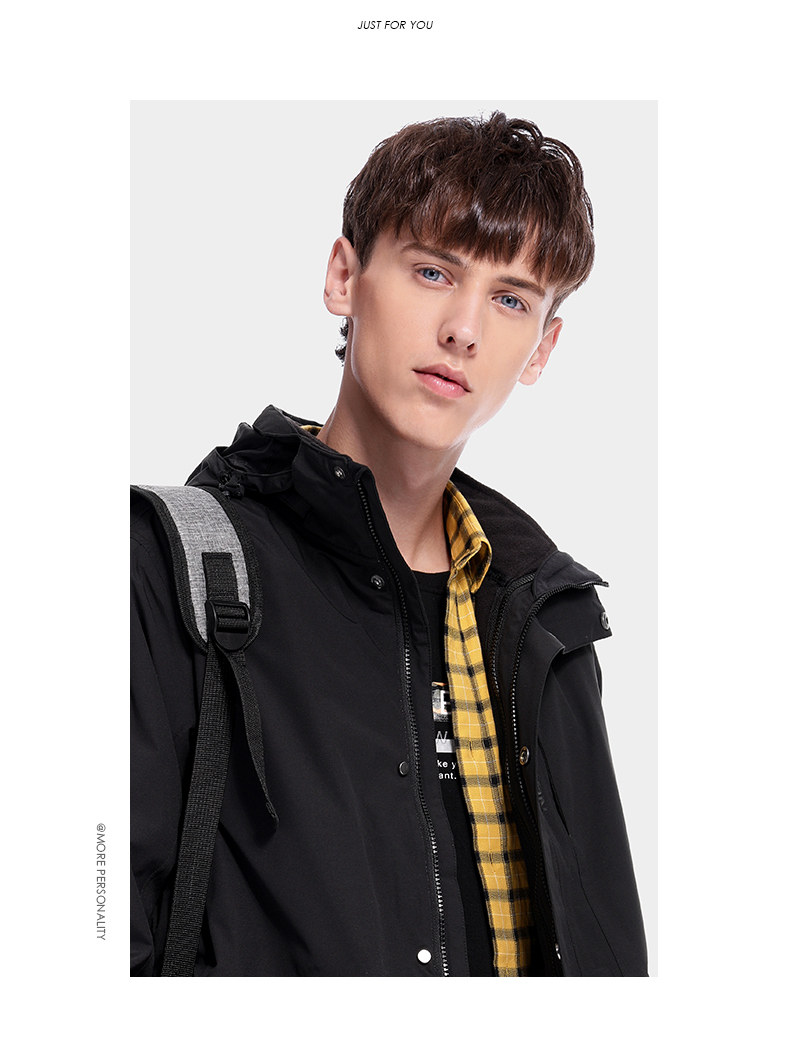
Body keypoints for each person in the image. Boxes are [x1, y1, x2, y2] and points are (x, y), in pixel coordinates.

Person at [131, 111, 648, 977]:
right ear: (345, 276)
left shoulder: (545, 614)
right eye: (433, 271)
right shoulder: (174, 563)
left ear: (542, 347)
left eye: (511, 299)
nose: (464, 329)